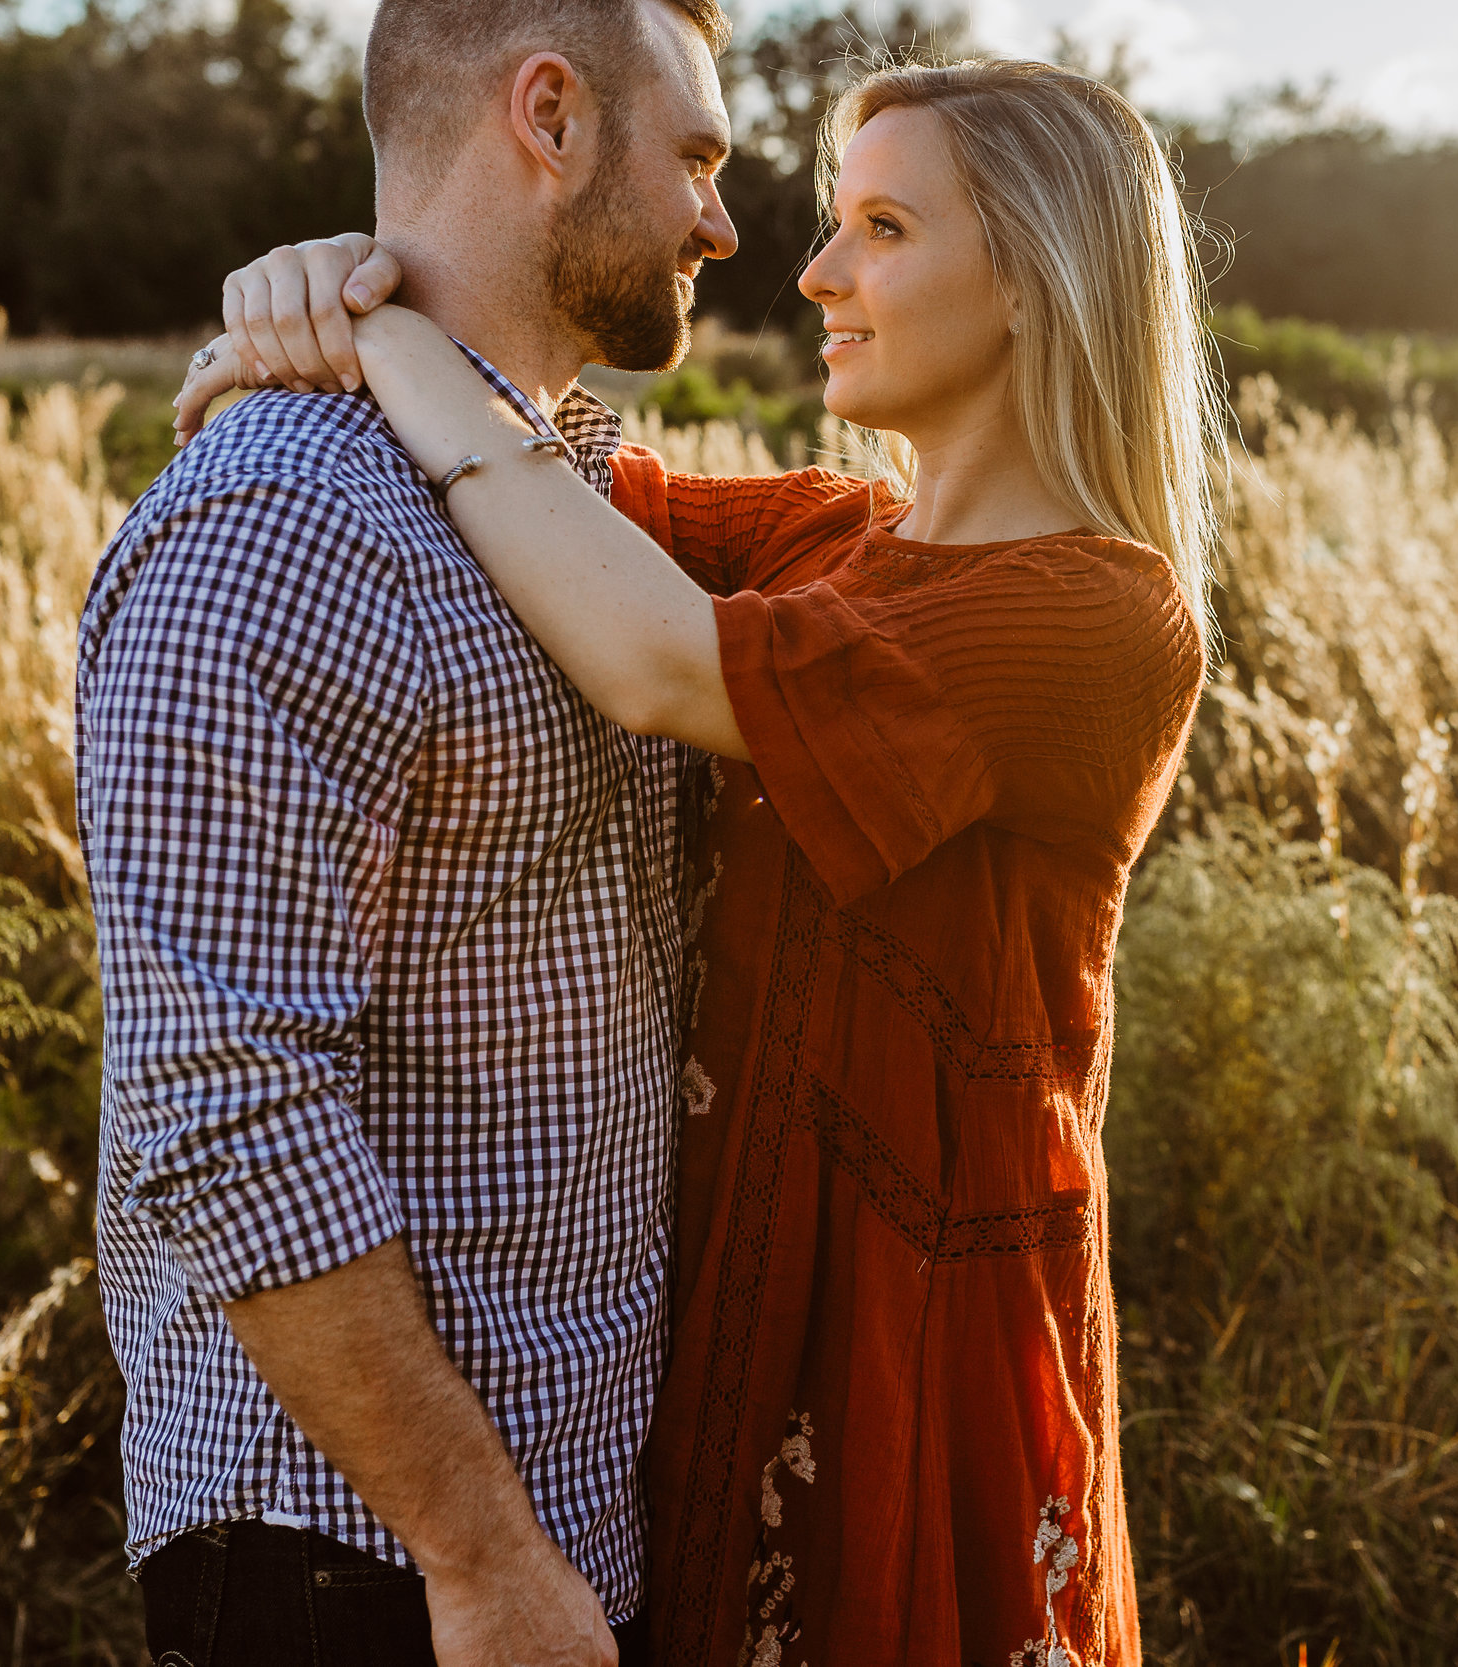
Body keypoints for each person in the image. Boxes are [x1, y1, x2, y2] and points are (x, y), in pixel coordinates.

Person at [179, 55, 1221, 1667]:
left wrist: (384, 335)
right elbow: (557, 471)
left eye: (881, 227)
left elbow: (653, 660)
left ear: (1036, 281)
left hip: (907, 1364)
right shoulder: (825, 539)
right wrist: (319, 282)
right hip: (721, 1336)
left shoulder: (1093, 616)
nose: (812, 272)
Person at [80, 2, 738, 1663]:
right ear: (549, 115)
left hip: (560, 1520)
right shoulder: (283, 524)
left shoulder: (565, 502)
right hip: (354, 1561)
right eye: (699, 158)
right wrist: (480, 1554)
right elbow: (222, 1101)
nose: (723, 226)